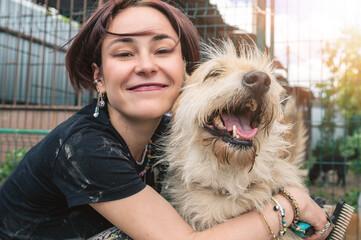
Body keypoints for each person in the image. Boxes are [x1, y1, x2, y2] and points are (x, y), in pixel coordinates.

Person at [0, 0, 332, 239]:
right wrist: (287, 206)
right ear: (98, 78)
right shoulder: (85, 147)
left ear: (182, 74)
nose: (146, 65)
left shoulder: (167, 133)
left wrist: (287, 187)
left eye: (162, 50)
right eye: (124, 52)